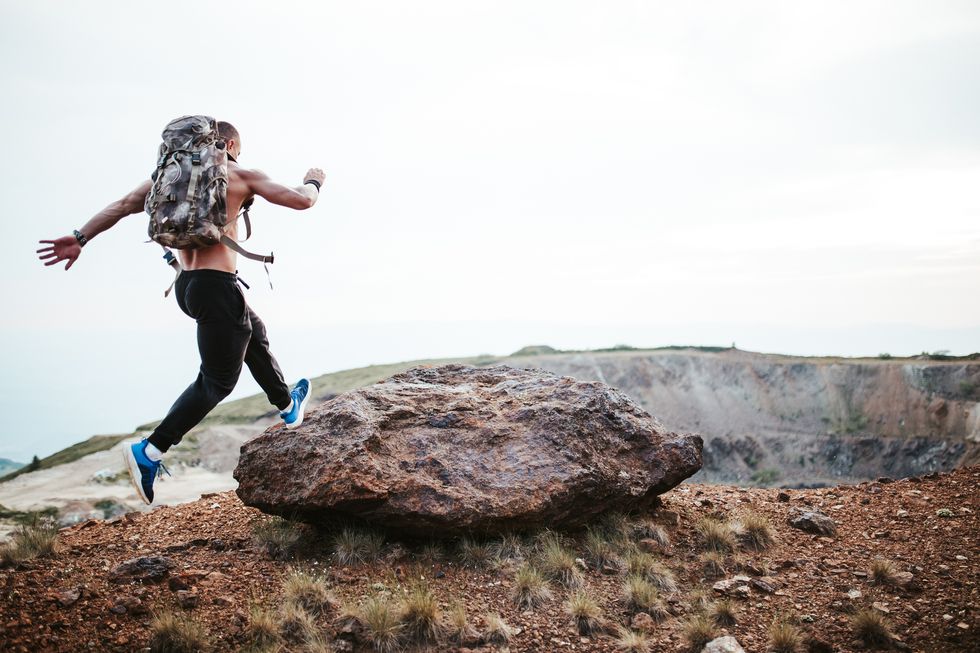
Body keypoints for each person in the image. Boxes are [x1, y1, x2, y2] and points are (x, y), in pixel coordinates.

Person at [37, 120, 324, 505]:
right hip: (217, 286)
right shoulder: (239, 174)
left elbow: (121, 206)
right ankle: (151, 451)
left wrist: (78, 238)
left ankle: (287, 405)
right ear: (232, 144)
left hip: (187, 285)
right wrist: (314, 180)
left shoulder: (168, 177)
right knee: (217, 381)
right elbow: (301, 200)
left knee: (251, 328)